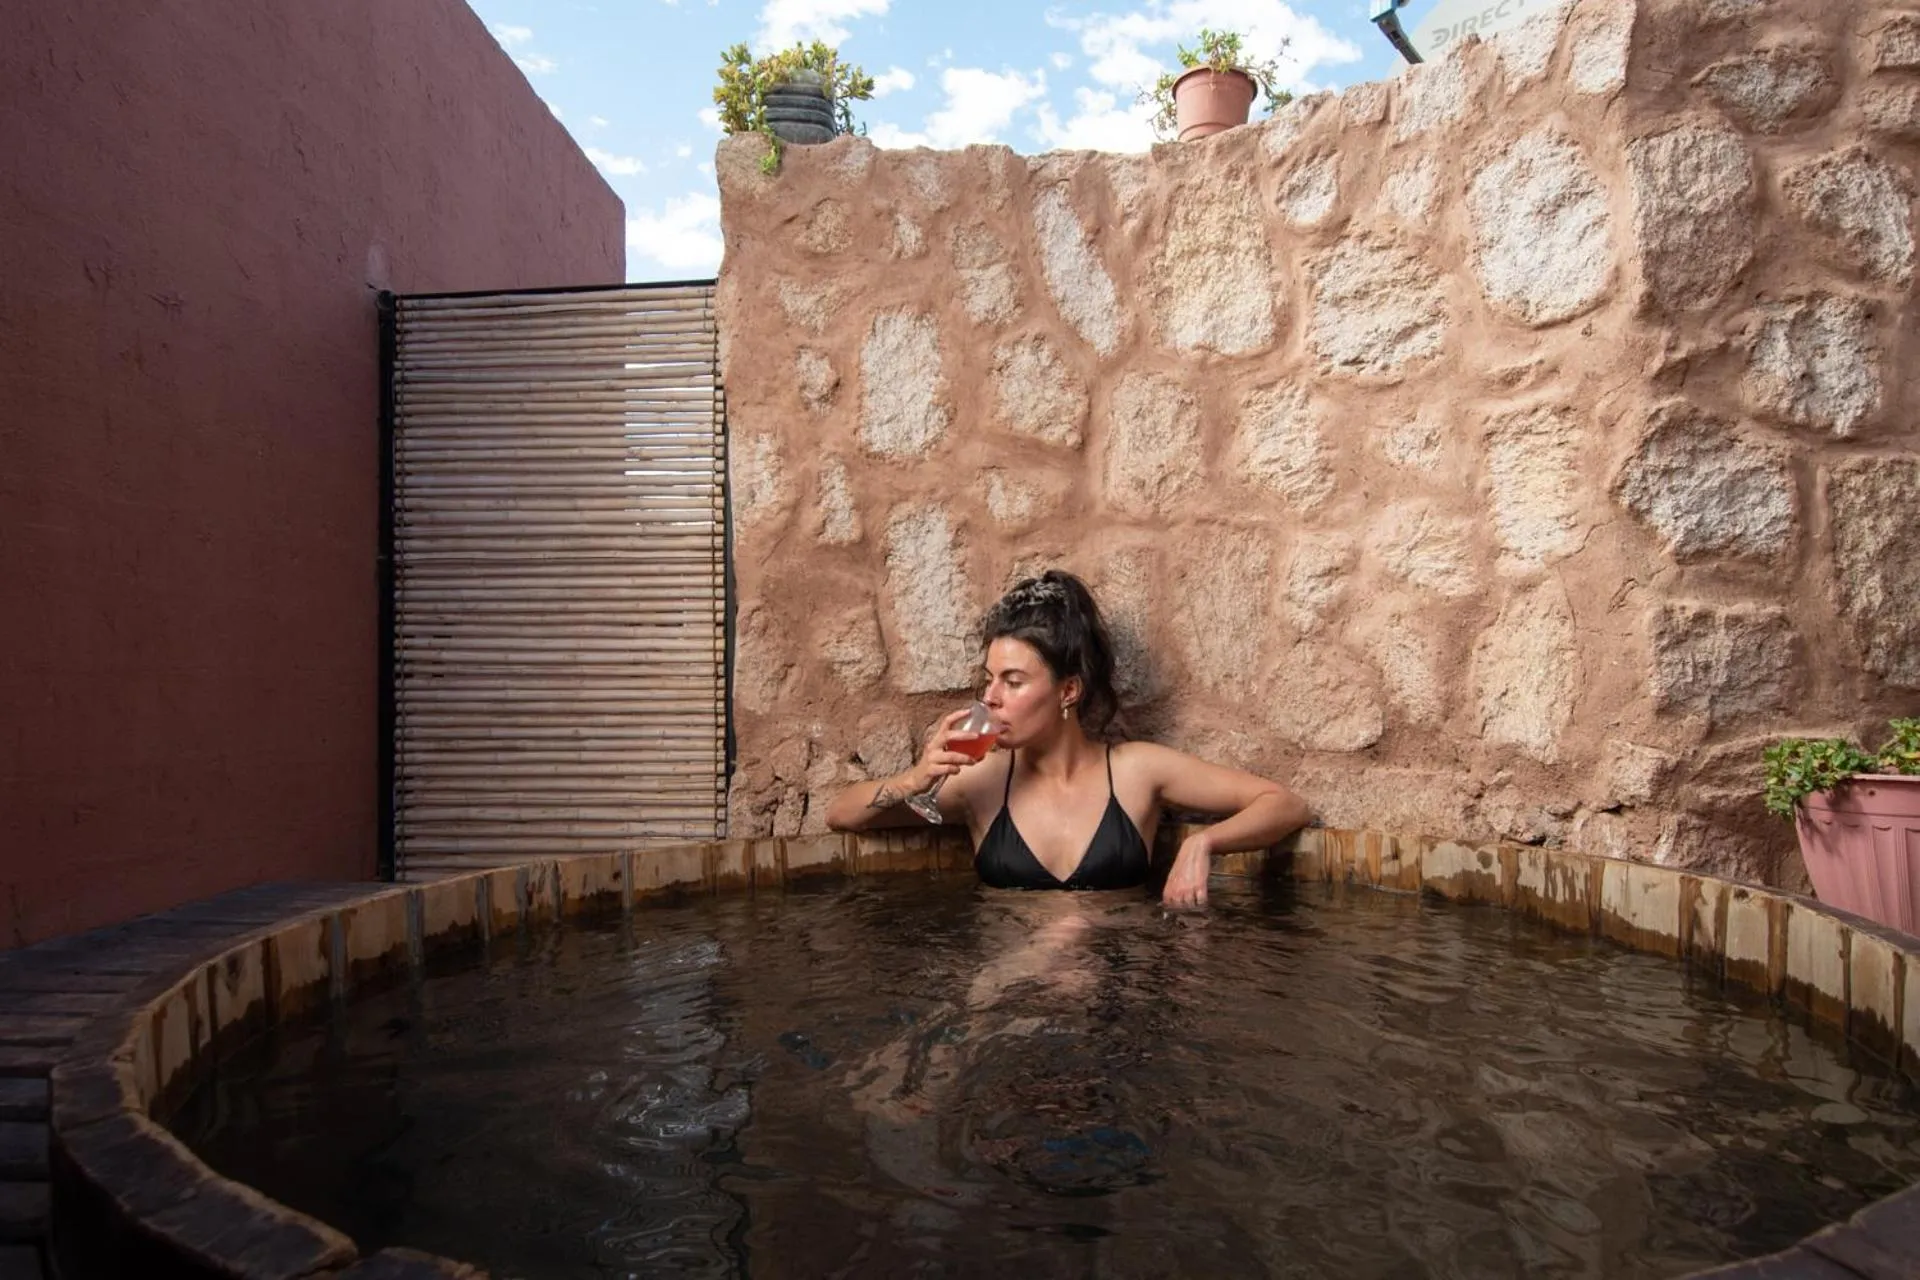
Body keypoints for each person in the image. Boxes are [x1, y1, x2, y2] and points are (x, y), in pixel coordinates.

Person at [824, 569, 1311, 907]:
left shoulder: (1136, 772)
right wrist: (914, 780)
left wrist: (1203, 844)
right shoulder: (982, 780)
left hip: (1113, 999)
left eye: (1013, 682)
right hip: (1011, 995)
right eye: (989, 680)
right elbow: (841, 815)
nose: (990, 697)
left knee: (1072, 933)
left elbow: (1285, 805)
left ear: (1068, 691)